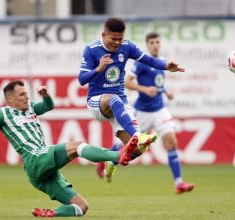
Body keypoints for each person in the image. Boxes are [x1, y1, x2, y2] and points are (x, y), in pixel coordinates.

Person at [0, 80, 139, 218]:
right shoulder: (2, 114)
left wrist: (46, 96)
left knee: (81, 207)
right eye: (22, 95)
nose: (27, 97)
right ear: (10, 99)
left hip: (41, 174)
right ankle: (119, 155)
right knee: (76, 145)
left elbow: (48, 106)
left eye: (27, 93)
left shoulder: (30, 108)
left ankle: (50, 214)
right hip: (34, 160)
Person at [78, 18, 185, 168]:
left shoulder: (127, 47)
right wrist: (98, 69)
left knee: (138, 150)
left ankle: (110, 161)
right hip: (97, 102)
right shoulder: (91, 49)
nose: (116, 43)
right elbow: (82, 79)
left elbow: (149, 60)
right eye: (113, 39)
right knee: (114, 99)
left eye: (119, 39)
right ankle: (138, 136)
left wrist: (166, 66)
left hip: (119, 102)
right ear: (103, 35)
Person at [98, 32, 194, 194]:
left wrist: (165, 91)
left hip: (160, 110)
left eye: (157, 42)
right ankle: (106, 158)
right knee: (129, 145)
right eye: (152, 42)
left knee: (172, 142)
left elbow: (157, 84)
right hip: (142, 112)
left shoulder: (162, 63)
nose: (155, 45)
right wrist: (144, 89)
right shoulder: (141, 63)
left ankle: (179, 183)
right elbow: (127, 83)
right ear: (147, 45)